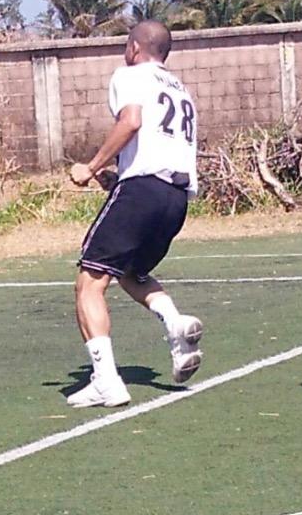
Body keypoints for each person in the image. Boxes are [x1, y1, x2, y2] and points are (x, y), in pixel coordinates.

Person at [65, 20, 204, 408]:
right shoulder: (180, 89)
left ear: (133, 48)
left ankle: (106, 381)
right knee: (130, 272)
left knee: (89, 282)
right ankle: (175, 323)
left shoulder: (130, 75)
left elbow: (131, 121)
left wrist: (90, 168)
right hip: (175, 198)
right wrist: (120, 176)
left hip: (143, 190)